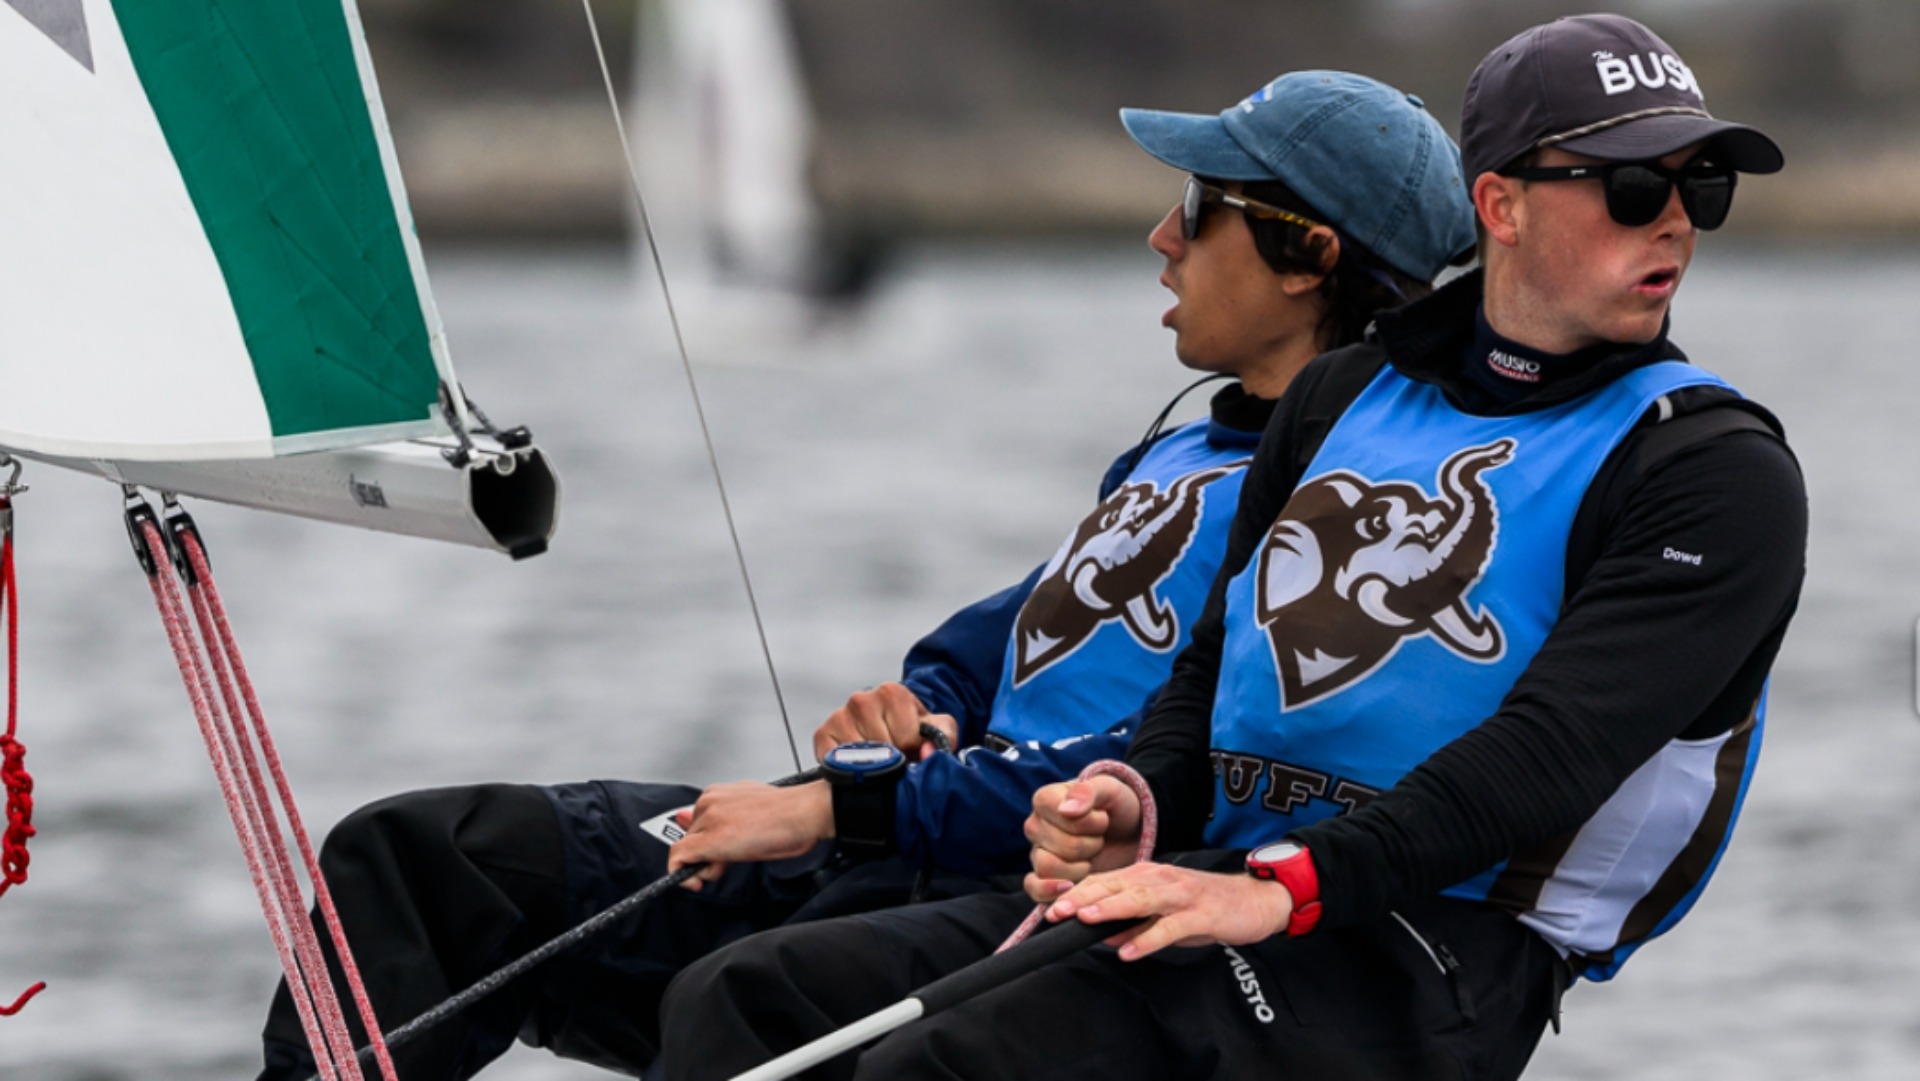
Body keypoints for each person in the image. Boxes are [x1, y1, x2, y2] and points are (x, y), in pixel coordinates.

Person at [253, 72, 1473, 1081]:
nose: (1162, 239)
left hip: (1010, 890)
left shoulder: (1352, 503)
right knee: (426, 861)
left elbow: (1173, 757)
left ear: (1304, 253)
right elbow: (1014, 629)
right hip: (893, 833)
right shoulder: (1187, 441)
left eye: (1198, 208)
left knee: (739, 1004)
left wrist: (847, 805)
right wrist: (926, 703)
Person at [656, 14, 1809, 1081]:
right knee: (748, 1002)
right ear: (1500, 206)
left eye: (1697, 187)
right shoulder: (1342, 395)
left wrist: (1290, 885)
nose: (1670, 218)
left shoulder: (1710, 468)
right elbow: (1210, 668)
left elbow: (1552, 752)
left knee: (950, 1065)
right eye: (1626, 186)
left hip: (1442, 943)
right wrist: (1132, 795)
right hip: (1229, 877)